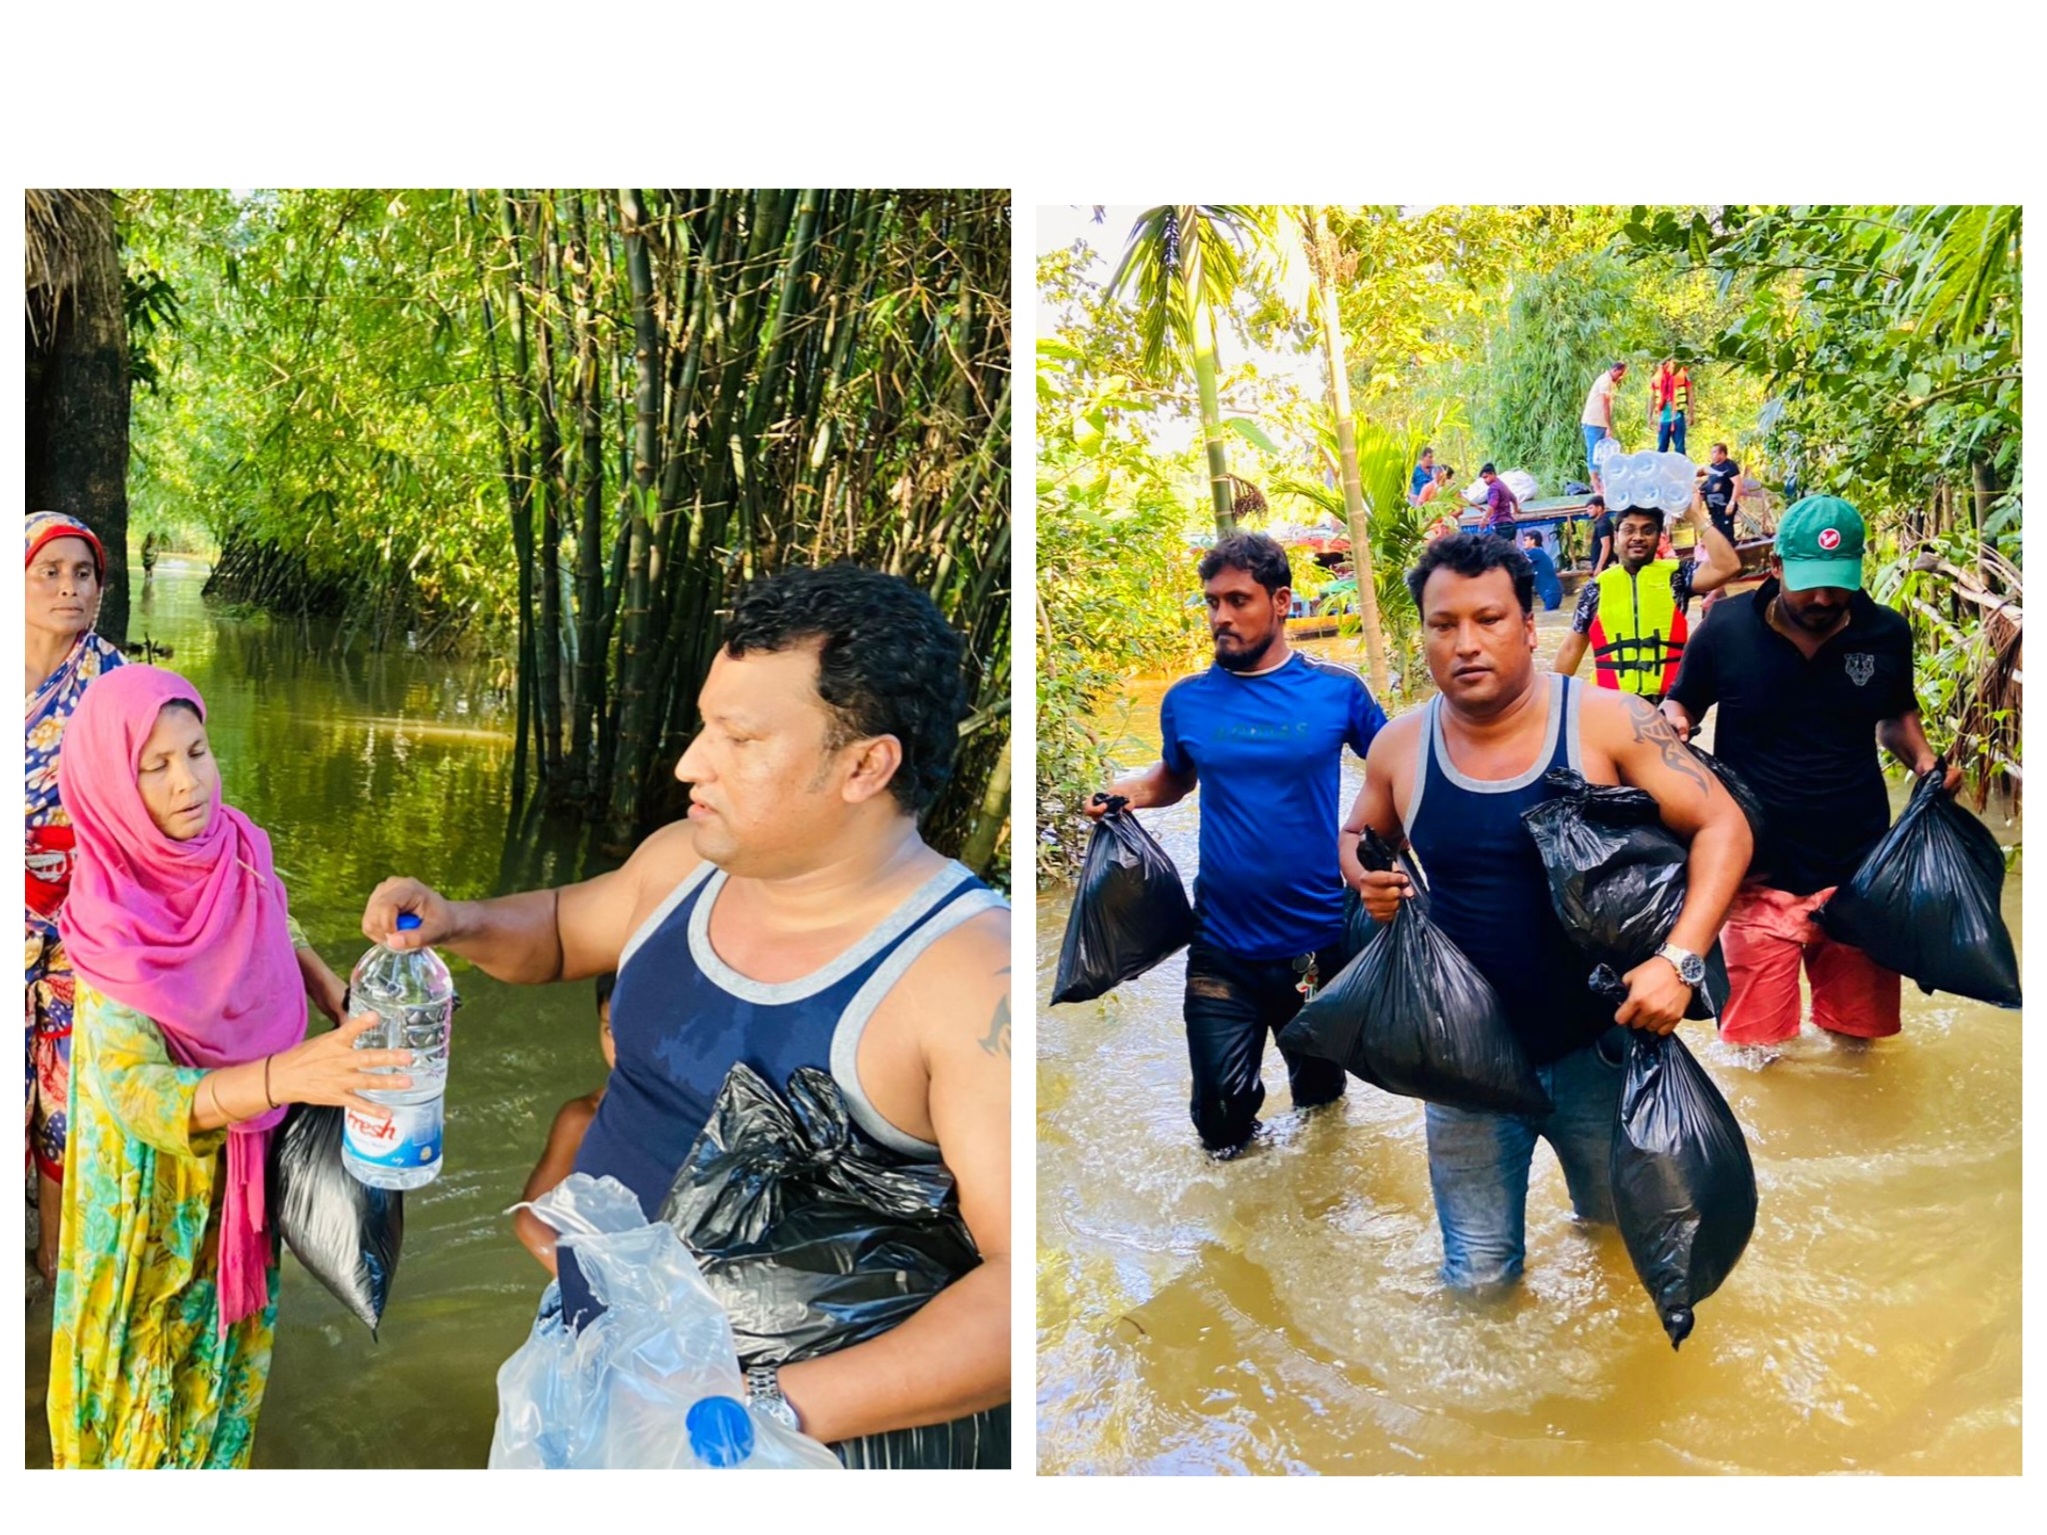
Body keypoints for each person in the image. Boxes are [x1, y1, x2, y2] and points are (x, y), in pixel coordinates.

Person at [360, 564, 1011, 1467]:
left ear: (865, 765)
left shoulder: (968, 974)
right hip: (588, 1356)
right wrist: (458, 921)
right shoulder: (682, 864)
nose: (689, 763)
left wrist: (756, 1412)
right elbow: (560, 931)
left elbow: (1020, 1288)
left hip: (783, 1439)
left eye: (737, 738)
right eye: (707, 724)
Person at [1339, 533, 1750, 1291]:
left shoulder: (1609, 722)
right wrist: (1368, 877)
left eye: (1488, 619)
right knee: (1478, 1277)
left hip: (1600, 1048)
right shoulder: (1399, 747)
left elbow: (1723, 824)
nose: (1465, 642)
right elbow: (1360, 834)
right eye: (1443, 624)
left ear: (1530, 626)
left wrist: (1679, 960)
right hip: (1463, 1065)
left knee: (1622, 1244)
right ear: (1423, 634)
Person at [47, 665, 400, 1468]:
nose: (188, 781)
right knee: (140, 1394)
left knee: (220, 1380)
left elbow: (273, 910)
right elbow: (138, 1095)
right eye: (156, 765)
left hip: (244, 1173)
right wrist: (284, 1077)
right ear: (111, 785)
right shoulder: (110, 921)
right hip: (150, 1201)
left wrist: (330, 989)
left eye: (198, 752)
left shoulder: (236, 846)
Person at [1092, 531, 1386, 1159]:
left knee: (1320, 1103)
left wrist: (1372, 850)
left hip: (1314, 946)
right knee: (1219, 1122)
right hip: (1221, 945)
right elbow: (1175, 778)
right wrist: (1127, 794)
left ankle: (1314, 1206)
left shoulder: (1337, 691)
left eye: (1237, 600)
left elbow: (1395, 770)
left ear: (1280, 601)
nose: (1220, 617)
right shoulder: (1187, 700)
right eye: (1212, 602)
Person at [1662, 497, 1961, 1050]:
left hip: (1861, 874)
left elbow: (1895, 717)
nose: (1823, 599)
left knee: (1859, 1043)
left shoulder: (1886, 633)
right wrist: (1672, 723)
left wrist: (1924, 762)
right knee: (1756, 1052)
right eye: (1809, 585)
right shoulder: (1725, 629)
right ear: (1776, 566)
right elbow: (1682, 703)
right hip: (1755, 873)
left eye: (1836, 585)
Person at [24, 510, 127, 1286]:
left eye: (83, 573)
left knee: (69, 1111)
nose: (70, 587)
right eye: (49, 571)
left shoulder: (117, 683)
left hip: (87, 930)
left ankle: (57, 1271)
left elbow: (162, 808)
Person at [1553, 490, 1741, 703]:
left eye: (1648, 530)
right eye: (1629, 530)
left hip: (1669, 705)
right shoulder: (1595, 588)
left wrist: (1695, 516)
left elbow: (1729, 566)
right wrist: (1553, 706)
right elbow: (1571, 649)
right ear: (1616, 537)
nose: (1638, 537)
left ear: (1659, 537)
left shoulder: (1678, 576)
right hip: (1611, 706)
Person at [512, 972, 615, 1274]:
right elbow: (533, 1220)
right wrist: (597, 1286)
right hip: (620, 1278)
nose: (620, 1047)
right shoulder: (585, 1117)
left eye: (636, 1030)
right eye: (610, 1030)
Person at [1581, 361, 1626, 489]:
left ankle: (1601, 482)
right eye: (1620, 374)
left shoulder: (1609, 382)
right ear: (1615, 370)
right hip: (1594, 422)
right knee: (1593, 453)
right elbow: (1605, 404)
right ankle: (1596, 485)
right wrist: (1608, 426)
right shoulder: (1605, 381)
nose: (1620, 377)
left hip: (1600, 422)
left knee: (1602, 454)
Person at [1700, 443, 1743, 544]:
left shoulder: (1729, 466)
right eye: (1711, 452)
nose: (1712, 455)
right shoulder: (1712, 467)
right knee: (1717, 534)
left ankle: (1731, 551)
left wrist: (1732, 503)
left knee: (1726, 535)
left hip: (1725, 506)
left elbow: (1738, 484)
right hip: (1714, 509)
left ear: (1722, 453)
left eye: (1714, 452)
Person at [1650, 357, 1693, 454]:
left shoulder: (1657, 377)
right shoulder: (1658, 377)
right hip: (1668, 417)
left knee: (1666, 448)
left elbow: (1652, 398)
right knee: (1675, 448)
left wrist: (1650, 417)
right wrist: (1691, 415)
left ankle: (1677, 463)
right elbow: (1690, 395)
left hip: (1671, 417)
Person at [1521, 532, 1562, 612]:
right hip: (1552, 591)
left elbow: (1517, 558)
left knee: (1549, 615)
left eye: (1525, 540)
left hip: (1550, 592)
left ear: (1533, 541)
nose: (1523, 542)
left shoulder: (1535, 552)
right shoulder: (1538, 553)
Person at [1478, 463, 1519, 541]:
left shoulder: (1493, 488)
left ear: (1492, 474)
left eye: (1486, 477)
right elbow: (1514, 499)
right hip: (1509, 523)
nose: (1485, 481)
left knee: (1497, 547)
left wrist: (1484, 519)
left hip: (1498, 524)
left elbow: (1492, 506)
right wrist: (1516, 510)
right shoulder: (1502, 485)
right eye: (1483, 479)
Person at [1586, 495, 1615, 575]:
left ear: (1599, 508)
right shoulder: (1602, 522)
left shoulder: (1602, 524)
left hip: (1603, 567)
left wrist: (1599, 567)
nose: (1587, 511)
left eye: (1590, 508)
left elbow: (1606, 546)